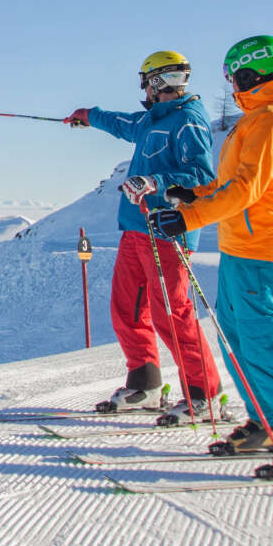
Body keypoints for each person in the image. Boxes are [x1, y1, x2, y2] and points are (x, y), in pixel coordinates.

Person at [150, 35, 273, 475]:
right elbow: (229, 183)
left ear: (248, 73)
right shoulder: (258, 117)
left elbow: (246, 188)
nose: (230, 84)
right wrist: (189, 195)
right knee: (236, 339)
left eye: (232, 75)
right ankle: (270, 422)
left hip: (263, 248)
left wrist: (189, 219)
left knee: (263, 343)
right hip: (240, 246)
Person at [65, 50, 222, 418]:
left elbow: (201, 177)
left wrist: (154, 181)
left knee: (172, 314)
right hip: (137, 229)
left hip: (168, 231)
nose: (143, 90)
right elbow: (124, 123)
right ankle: (145, 386)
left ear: (155, 82)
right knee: (127, 311)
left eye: (144, 81)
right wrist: (88, 116)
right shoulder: (155, 120)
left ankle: (204, 395)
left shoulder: (188, 121)